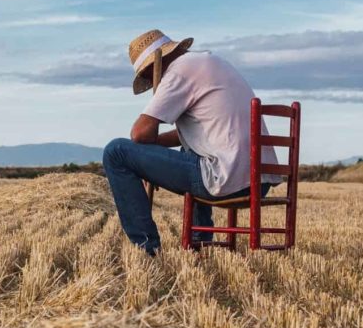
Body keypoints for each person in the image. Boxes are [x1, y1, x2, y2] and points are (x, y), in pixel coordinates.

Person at [102, 29, 281, 255]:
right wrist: (152, 156)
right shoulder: (209, 62)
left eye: (147, 76)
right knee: (190, 149)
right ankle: (200, 242)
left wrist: (148, 150)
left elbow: (139, 133)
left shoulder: (179, 72)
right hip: (258, 180)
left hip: (225, 178)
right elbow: (195, 134)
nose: (150, 81)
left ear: (152, 66)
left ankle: (146, 247)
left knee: (115, 152)